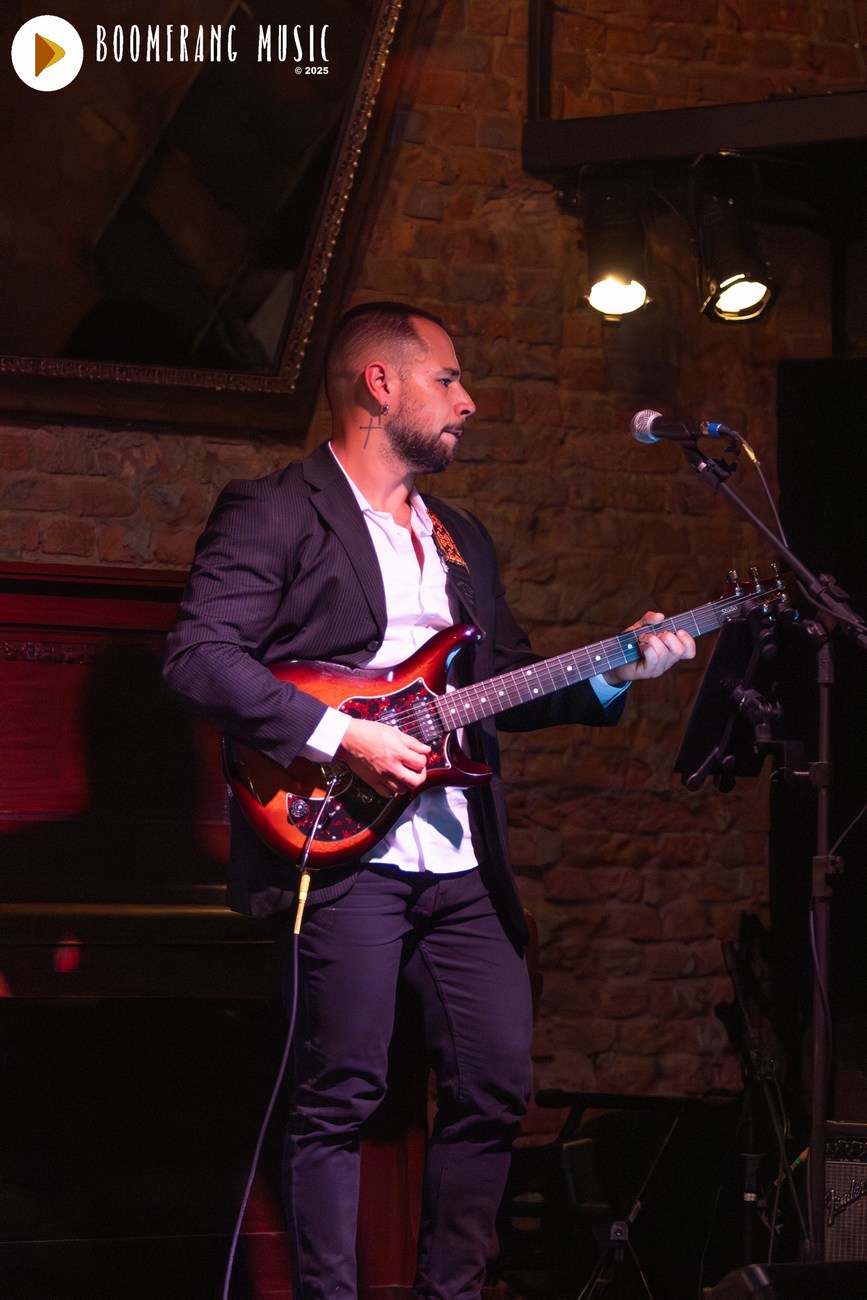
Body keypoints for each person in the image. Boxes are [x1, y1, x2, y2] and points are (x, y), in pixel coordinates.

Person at [162, 301, 696, 1299]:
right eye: (448, 380)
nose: (468, 401)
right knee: (339, 1095)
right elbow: (198, 657)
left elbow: (505, 685)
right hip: (340, 846)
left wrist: (619, 670)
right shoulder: (275, 510)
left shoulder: (462, 538)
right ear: (381, 384)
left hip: (460, 860)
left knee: (495, 1085)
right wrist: (343, 734)